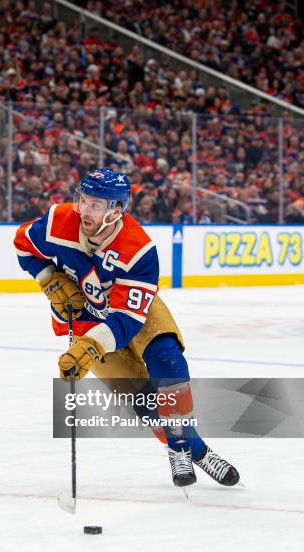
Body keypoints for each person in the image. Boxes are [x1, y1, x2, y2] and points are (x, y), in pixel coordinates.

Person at [14, 168, 240, 488]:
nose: (84, 210)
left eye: (95, 204)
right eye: (83, 200)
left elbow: (128, 320)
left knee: (167, 357)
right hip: (85, 318)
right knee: (144, 402)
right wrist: (47, 278)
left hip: (133, 312)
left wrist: (90, 346)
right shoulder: (57, 222)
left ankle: (178, 449)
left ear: (116, 210)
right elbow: (23, 245)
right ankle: (199, 452)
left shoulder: (139, 250)